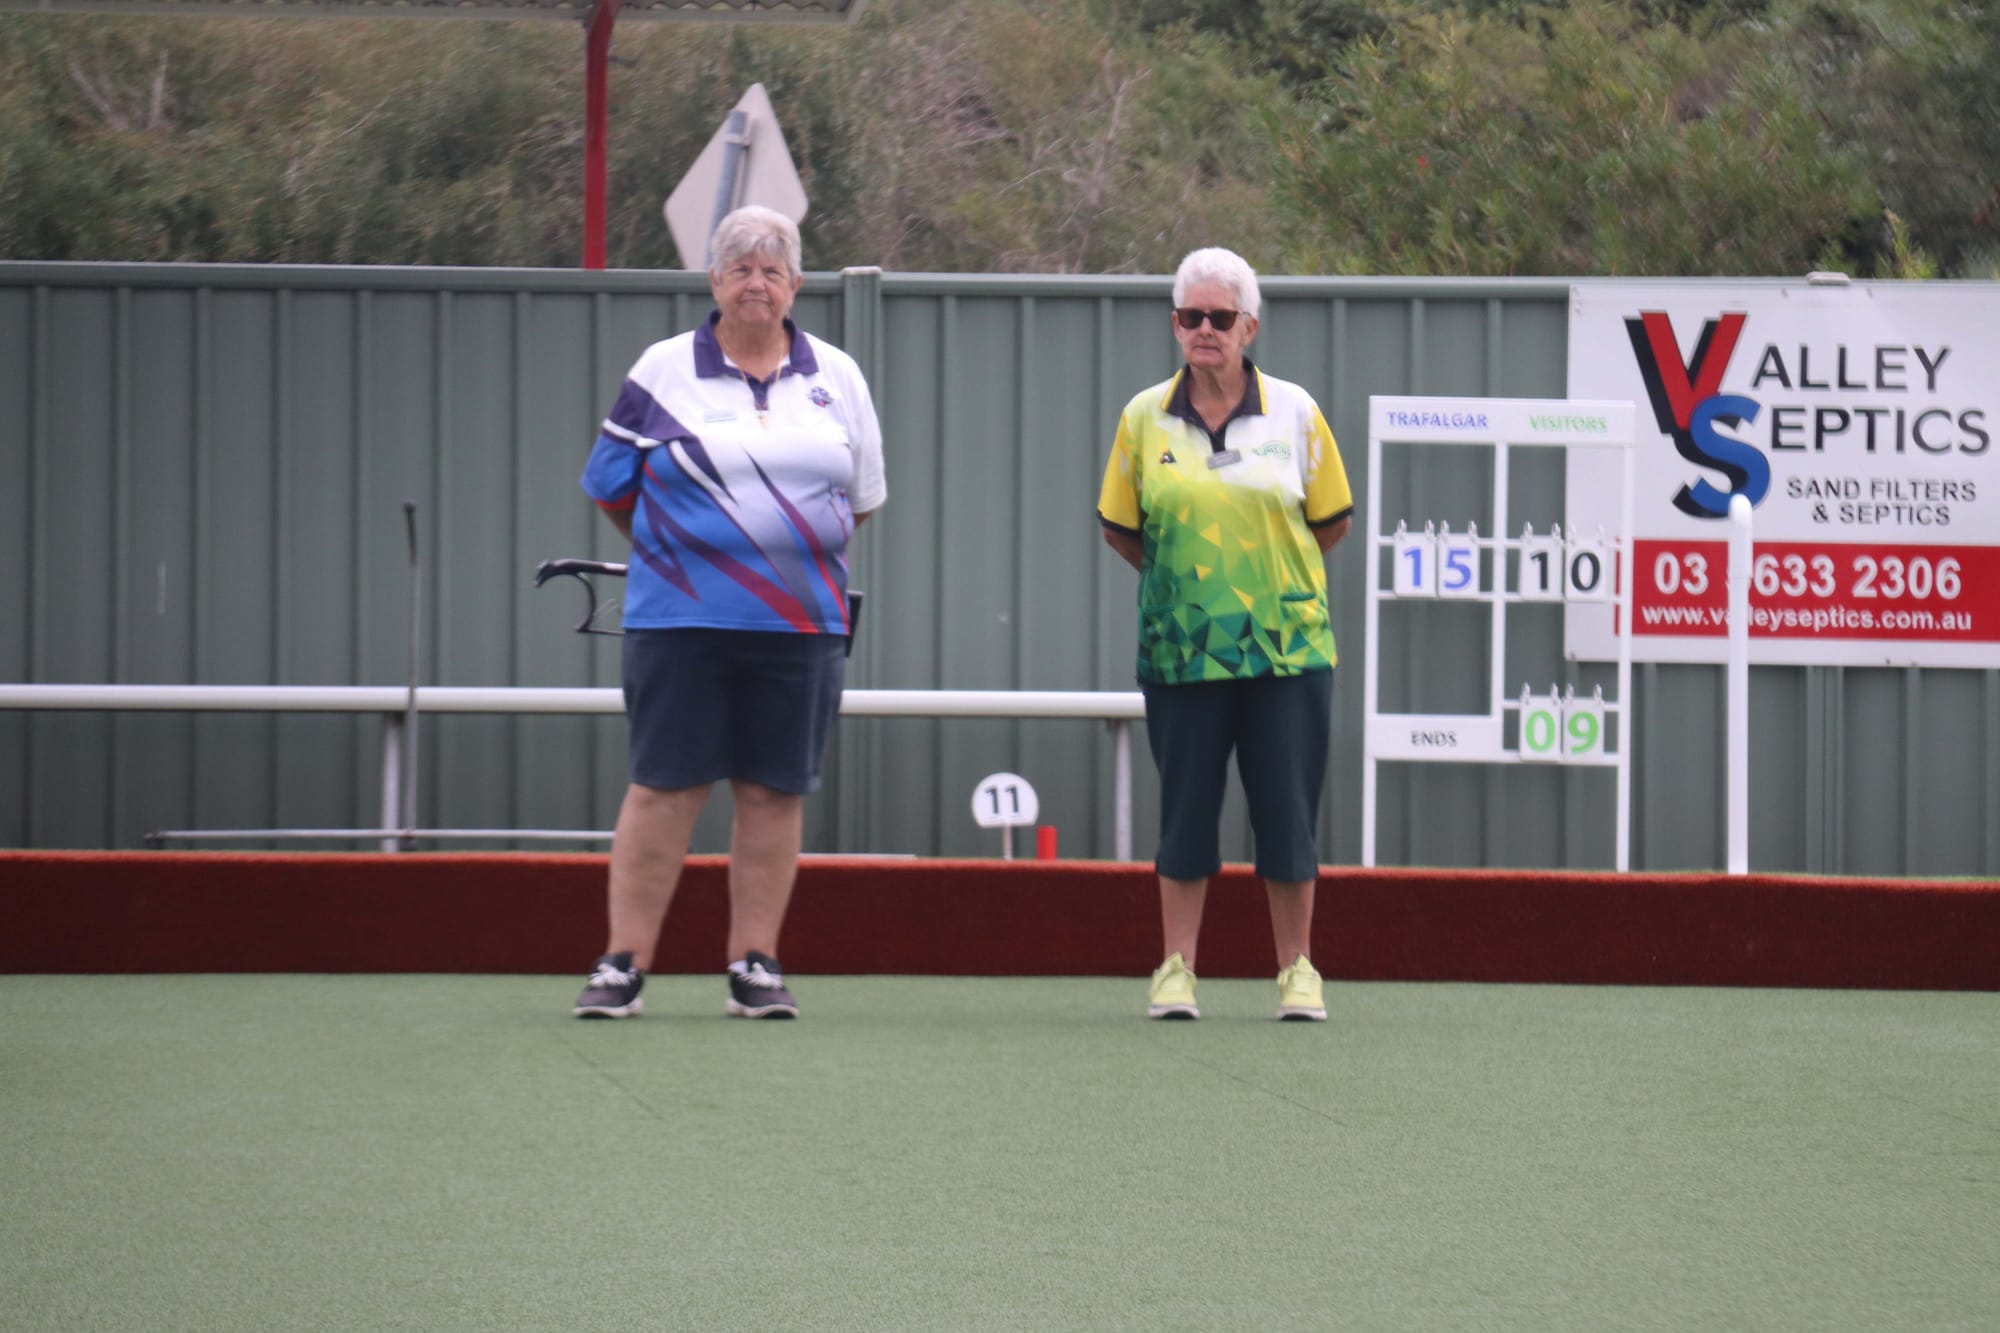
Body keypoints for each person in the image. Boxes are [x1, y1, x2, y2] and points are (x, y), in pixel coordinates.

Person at [570, 205, 886, 1020]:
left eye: (772, 269)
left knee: (774, 793)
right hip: (677, 623)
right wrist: (687, 553)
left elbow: (860, 500)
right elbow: (610, 488)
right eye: (740, 268)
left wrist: (783, 555)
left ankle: (755, 965)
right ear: (713, 281)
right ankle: (621, 965)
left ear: (796, 285)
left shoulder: (839, 377)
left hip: (801, 626)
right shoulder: (663, 370)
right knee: (663, 789)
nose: (756, 283)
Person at [1096, 247, 1353, 1022]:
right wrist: (1190, 588)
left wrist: (1263, 584)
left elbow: (1330, 521)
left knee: (1288, 816)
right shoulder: (1142, 417)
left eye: (1220, 317)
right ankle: (1176, 968)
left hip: (1287, 652)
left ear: (1249, 326)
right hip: (1181, 650)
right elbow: (1122, 528)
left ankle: (1297, 969)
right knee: (1185, 815)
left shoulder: (1296, 411)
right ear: (1175, 324)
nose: (1204, 329)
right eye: (1190, 316)